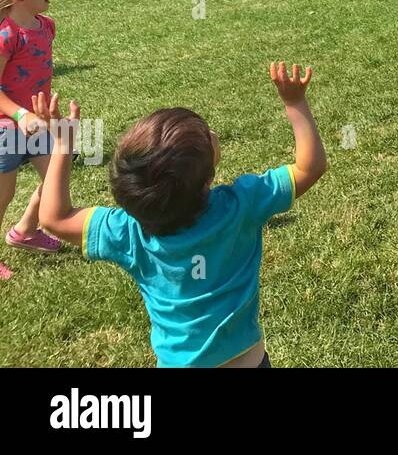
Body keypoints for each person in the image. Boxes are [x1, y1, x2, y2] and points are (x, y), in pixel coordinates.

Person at [36, 62, 327, 367]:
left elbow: (53, 218)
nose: (213, 132)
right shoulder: (240, 206)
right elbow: (310, 167)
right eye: (207, 135)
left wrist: (62, 144)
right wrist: (295, 103)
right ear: (207, 179)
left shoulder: (128, 233)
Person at [0, 0, 59, 280]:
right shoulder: (6, 35)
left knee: (54, 177)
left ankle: (25, 231)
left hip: (36, 121)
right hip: (6, 126)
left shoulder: (46, 26)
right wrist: (21, 115)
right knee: (3, 195)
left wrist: (45, 112)